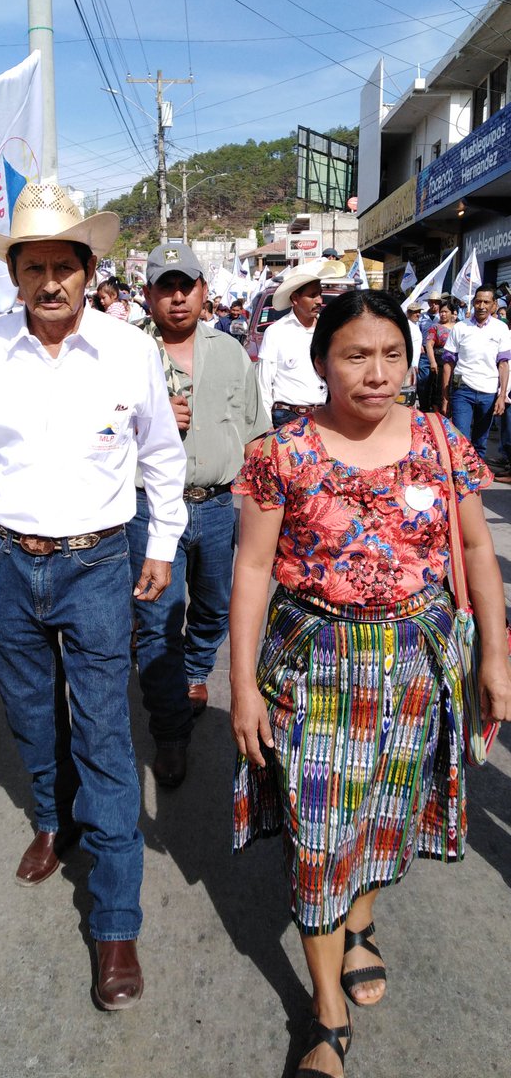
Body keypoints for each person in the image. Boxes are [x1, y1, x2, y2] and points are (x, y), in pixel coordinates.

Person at [0, 182, 187, 1011]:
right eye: (33, 268)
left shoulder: (129, 351)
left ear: (88, 270)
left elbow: (161, 458)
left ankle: (115, 920)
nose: (50, 282)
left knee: (103, 734)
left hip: (97, 562)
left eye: (64, 266)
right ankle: (52, 819)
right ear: (15, 275)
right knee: (33, 715)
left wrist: (162, 545)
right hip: (4, 559)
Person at [229, 289, 511, 1078]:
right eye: (356, 355)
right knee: (320, 832)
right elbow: (251, 570)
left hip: (419, 661)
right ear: (322, 362)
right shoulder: (280, 452)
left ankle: (360, 924)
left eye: (392, 355)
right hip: (315, 665)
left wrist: (494, 657)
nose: (377, 373)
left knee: (390, 808)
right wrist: (242, 685)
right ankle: (326, 1010)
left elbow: (476, 552)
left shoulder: (441, 440)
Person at [128, 242, 270, 788]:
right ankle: (169, 731)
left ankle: (194, 671)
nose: (177, 296)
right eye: (166, 286)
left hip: (215, 506)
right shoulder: (125, 353)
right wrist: (147, 420)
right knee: (157, 620)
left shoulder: (231, 351)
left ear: (204, 291)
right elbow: (93, 433)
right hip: (148, 508)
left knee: (213, 607)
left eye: (186, 285)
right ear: (148, 295)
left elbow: (255, 432)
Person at [257, 258, 345, 428]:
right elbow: (263, 386)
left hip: (324, 417)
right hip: (287, 419)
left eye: (319, 294)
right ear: (295, 299)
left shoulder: (328, 331)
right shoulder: (276, 332)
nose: (319, 300)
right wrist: (267, 427)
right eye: (312, 295)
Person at [441, 285, 511, 458]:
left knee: (480, 441)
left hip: (489, 392)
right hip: (462, 390)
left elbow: (503, 364)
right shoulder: (460, 327)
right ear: (473, 303)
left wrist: (502, 395)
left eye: (486, 302)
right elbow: (448, 363)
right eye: (478, 301)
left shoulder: (501, 329)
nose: (482, 306)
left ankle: (477, 472)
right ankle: (461, 471)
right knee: (461, 438)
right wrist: (445, 396)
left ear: (494, 305)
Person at [425, 296, 455, 410]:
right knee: (438, 389)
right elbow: (429, 344)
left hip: (455, 362)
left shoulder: (458, 327)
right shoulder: (435, 327)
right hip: (439, 361)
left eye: (446, 312)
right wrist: (433, 362)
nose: (443, 314)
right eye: (441, 312)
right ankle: (437, 412)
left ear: (452, 313)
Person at [416, 293, 443, 410]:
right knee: (424, 381)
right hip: (424, 352)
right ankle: (424, 407)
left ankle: (436, 406)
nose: (434, 305)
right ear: (428, 303)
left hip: (439, 353)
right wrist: (419, 345)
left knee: (438, 382)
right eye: (432, 302)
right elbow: (416, 332)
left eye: (436, 302)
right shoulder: (421, 318)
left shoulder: (443, 317)